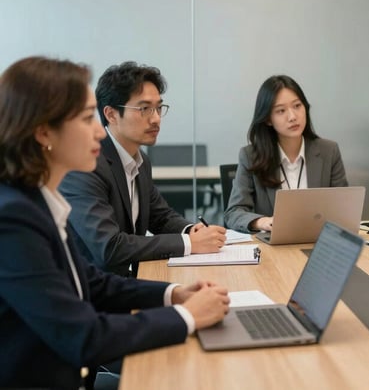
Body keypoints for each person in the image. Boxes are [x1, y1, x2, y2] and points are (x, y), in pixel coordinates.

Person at [0, 56, 230, 389]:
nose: (98, 130)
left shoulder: (37, 200)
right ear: (43, 131)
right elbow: (84, 336)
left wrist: (174, 294)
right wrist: (188, 316)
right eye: (85, 118)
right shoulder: (13, 219)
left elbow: (89, 282)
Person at [60, 62, 226, 277]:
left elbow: (160, 216)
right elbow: (109, 247)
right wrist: (189, 243)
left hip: (124, 280)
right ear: (111, 114)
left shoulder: (140, 161)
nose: (156, 118)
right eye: (144, 109)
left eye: (158, 108)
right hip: (93, 290)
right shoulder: (86, 165)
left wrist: (191, 230)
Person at [224, 75, 347, 233]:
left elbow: (343, 209)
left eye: (297, 106)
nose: (292, 117)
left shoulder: (328, 151)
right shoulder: (250, 156)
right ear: (268, 119)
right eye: (281, 111)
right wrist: (261, 222)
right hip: (274, 248)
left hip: (319, 244)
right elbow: (233, 213)